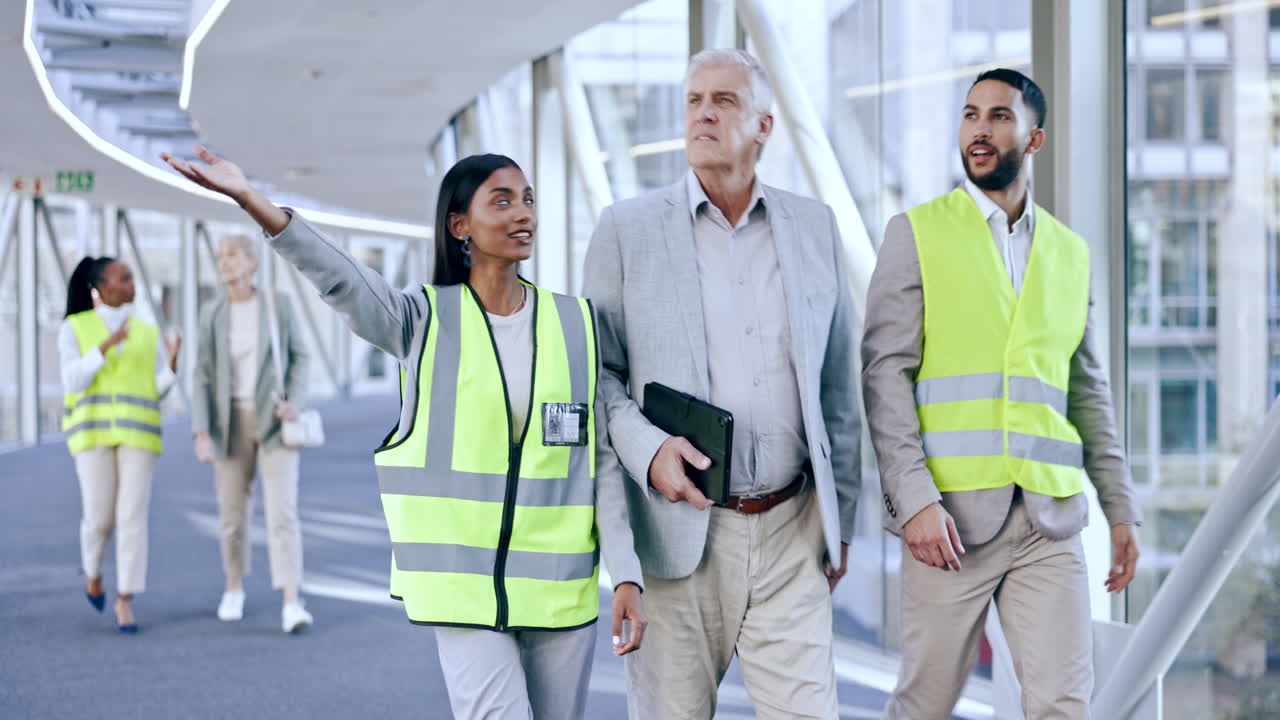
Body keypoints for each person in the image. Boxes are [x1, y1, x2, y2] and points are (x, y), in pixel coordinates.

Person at [162, 147, 645, 719]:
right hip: (461, 591)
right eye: (502, 200)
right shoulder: (422, 320)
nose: (524, 214)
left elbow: (601, 466)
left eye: (528, 200)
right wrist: (254, 202)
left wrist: (627, 577)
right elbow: (339, 278)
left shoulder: (576, 325)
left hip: (560, 595)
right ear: (460, 225)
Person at [582, 48, 861, 719]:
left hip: (792, 529)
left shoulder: (814, 226)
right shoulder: (626, 230)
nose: (704, 113)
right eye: (694, 100)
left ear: (764, 125)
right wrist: (650, 451)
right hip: (675, 537)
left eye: (724, 101)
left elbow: (838, 384)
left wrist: (841, 519)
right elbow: (599, 378)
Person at [861, 68, 1142, 720]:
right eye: (970, 115)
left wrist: (1119, 504)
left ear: (1033, 138)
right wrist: (915, 501)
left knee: (1065, 705)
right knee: (924, 705)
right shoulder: (918, 233)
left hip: (1049, 520)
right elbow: (883, 375)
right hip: (948, 525)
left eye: (998, 116)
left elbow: (1087, 390)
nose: (980, 129)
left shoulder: (1070, 253)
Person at [191, 233, 312, 633]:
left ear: (251, 262)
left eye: (233, 255)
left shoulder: (277, 304)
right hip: (229, 423)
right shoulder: (212, 312)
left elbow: (300, 356)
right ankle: (233, 587)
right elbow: (203, 373)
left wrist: (295, 399)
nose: (224, 262)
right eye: (220, 256)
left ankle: (291, 600)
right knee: (231, 515)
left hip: (274, 419)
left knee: (283, 513)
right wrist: (201, 430)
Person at [60, 256, 181, 632]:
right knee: (99, 518)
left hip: (138, 437)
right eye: (124, 278)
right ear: (103, 286)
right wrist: (106, 346)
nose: (132, 284)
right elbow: (72, 382)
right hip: (92, 435)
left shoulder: (145, 332)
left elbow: (152, 391)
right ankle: (93, 573)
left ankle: (126, 597)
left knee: (132, 517)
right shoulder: (74, 327)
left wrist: (171, 369)